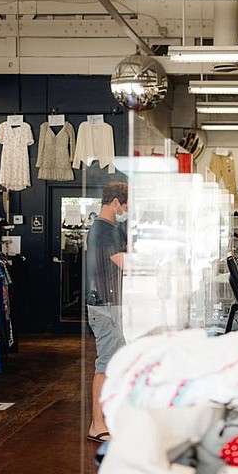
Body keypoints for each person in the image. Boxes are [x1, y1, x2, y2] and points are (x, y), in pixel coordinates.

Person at [85, 182, 128, 443]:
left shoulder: (108, 229)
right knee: (105, 364)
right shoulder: (102, 229)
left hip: (110, 303)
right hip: (105, 305)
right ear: (115, 202)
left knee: (113, 362)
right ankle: (96, 424)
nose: (125, 210)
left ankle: (107, 419)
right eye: (125, 205)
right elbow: (122, 262)